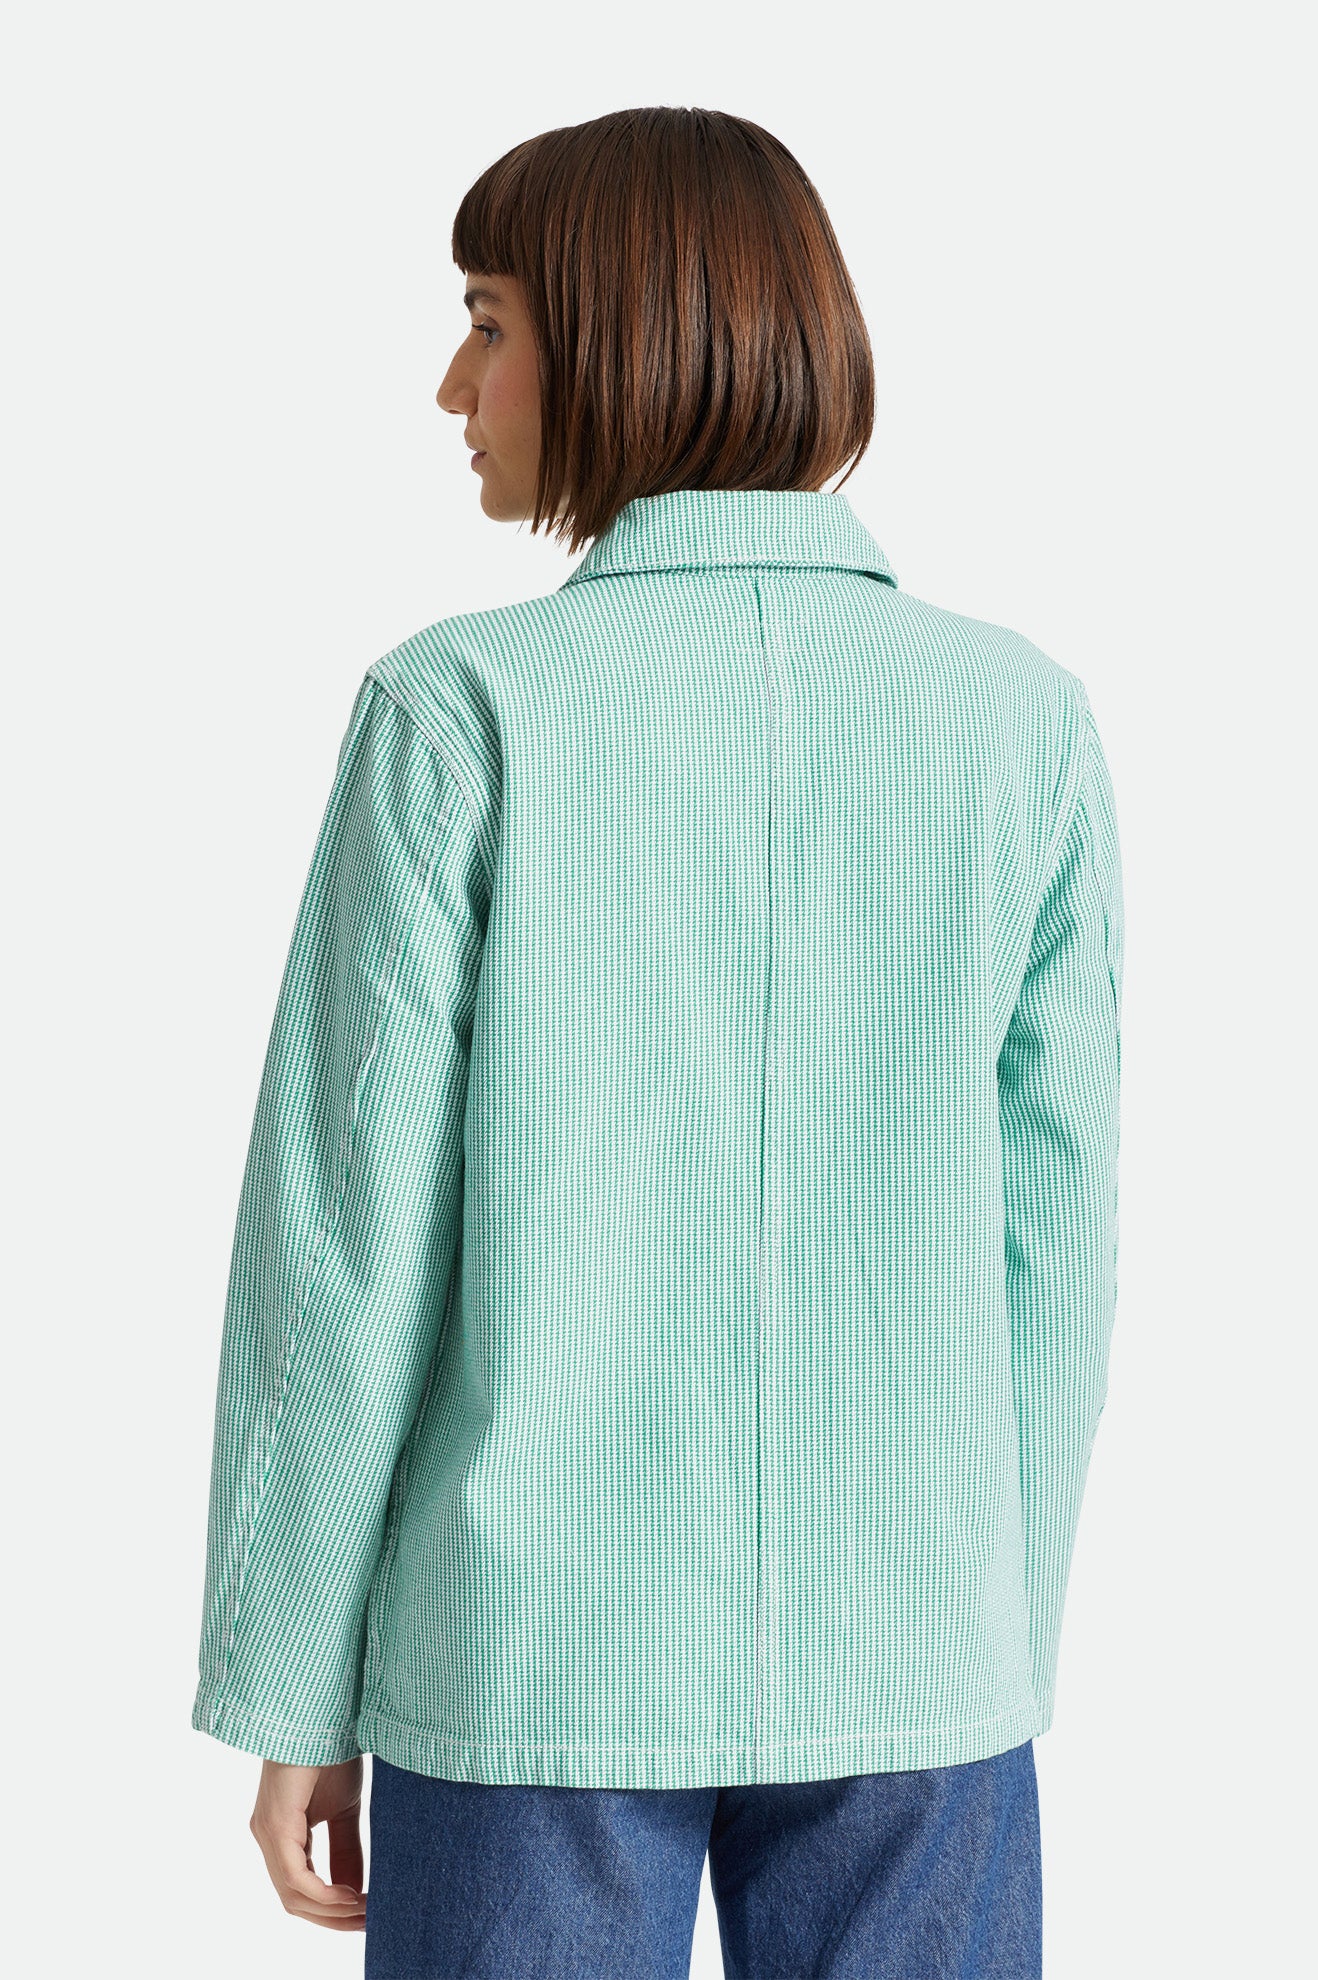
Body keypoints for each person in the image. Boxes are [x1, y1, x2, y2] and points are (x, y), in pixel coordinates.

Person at [191, 106, 1123, 1979]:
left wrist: (294, 1679)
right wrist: (985, 1635)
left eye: (488, 321)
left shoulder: (460, 711)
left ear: (621, 340)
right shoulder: (1017, 718)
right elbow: (1057, 1229)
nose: (451, 383)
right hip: (918, 1661)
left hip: (525, 1660)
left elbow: (346, 1244)